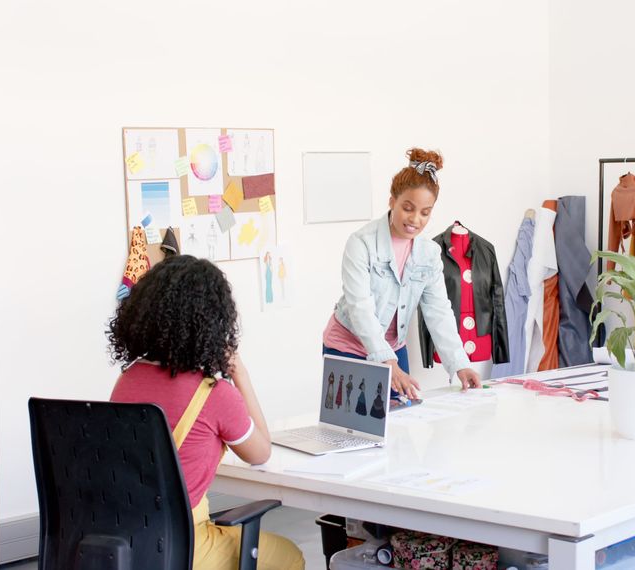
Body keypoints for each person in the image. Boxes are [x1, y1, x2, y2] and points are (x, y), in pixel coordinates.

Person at [108, 255, 304, 570]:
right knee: (289, 555)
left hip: (127, 542)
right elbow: (260, 453)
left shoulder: (126, 380)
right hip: (186, 546)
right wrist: (240, 374)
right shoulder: (214, 394)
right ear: (213, 323)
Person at [322, 148, 482, 399]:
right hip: (348, 347)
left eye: (425, 212)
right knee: (356, 431)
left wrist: (459, 363)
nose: (415, 219)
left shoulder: (429, 254)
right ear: (392, 201)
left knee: (400, 423)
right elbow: (360, 307)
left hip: (394, 350)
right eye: (408, 208)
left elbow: (439, 311)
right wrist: (386, 361)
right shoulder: (361, 243)